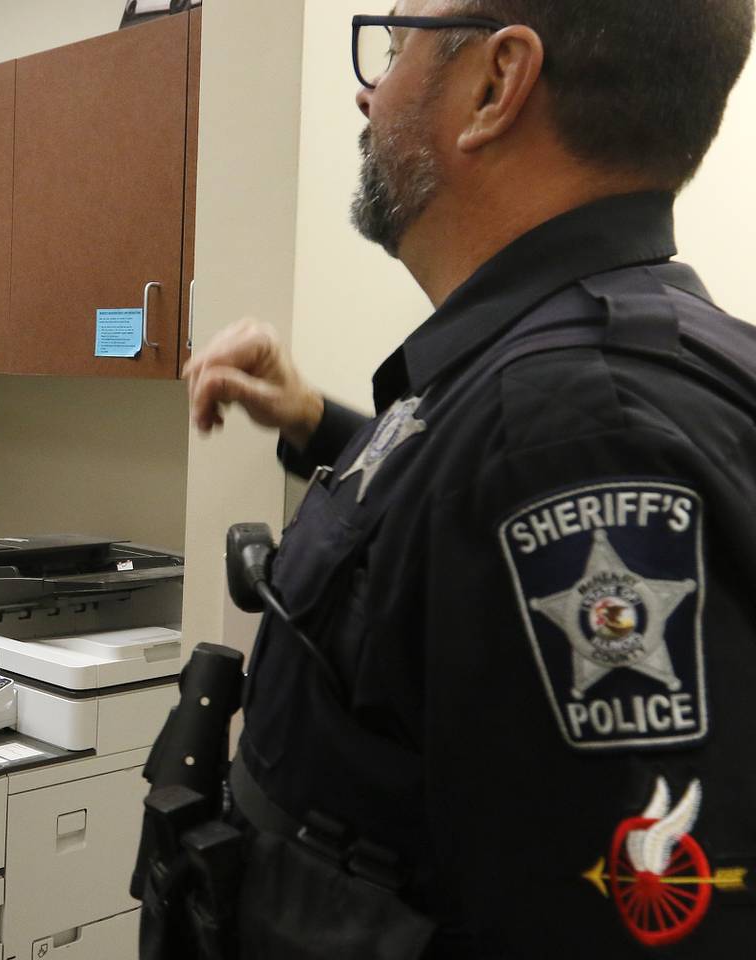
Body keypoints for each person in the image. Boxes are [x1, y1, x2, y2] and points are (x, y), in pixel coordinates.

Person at [184, 1, 756, 955]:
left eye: (396, 42)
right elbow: (459, 548)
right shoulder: (544, 387)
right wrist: (318, 424)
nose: (368, 91)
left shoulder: (576, 433)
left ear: (495, 85)